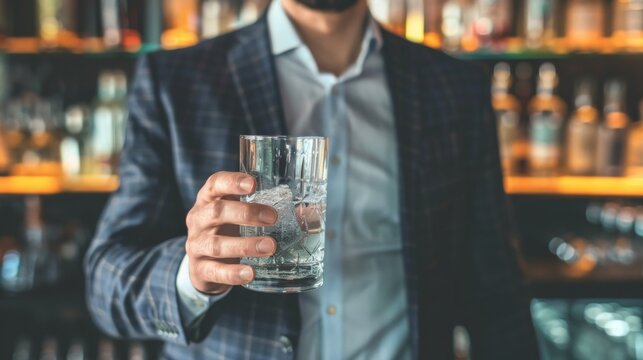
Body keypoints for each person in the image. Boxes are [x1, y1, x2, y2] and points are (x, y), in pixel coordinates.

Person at [84, 0, 539, 358]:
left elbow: (495, 288)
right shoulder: (175, 81)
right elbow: (106, 281)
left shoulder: (454, 87)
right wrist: (192, 274)